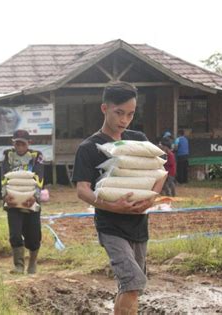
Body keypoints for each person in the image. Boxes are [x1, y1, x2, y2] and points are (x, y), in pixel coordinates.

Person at [72, 82, 165, 315]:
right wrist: (111, 205)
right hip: (110, 225)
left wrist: (150, 198)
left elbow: (159, 173)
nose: (125, 120)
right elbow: (82, 189)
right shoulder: (89, 147)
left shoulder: (138, 140)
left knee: (131, 286)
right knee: (133, 281)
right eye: (119, 113)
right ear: (104, 108)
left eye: (131, 114)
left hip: (138, 223)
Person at [1, 129, 44, 275]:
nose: (19, 147)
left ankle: (32, 262)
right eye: (16, 144)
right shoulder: (8, 155)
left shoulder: (36, 156)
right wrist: (5, 195)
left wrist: (34, 197)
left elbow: (39, 177)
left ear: (29, 143)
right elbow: (4, 176)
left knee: (33, 235)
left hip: (31, 201)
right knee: (15, 233)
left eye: (22, 144)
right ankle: (18, 265)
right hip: (12, 202)